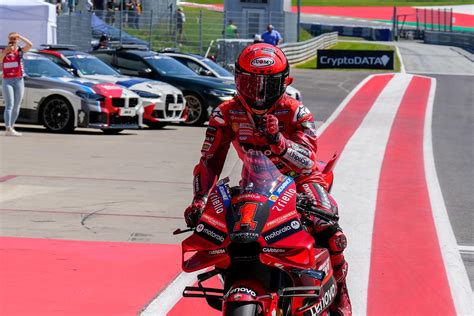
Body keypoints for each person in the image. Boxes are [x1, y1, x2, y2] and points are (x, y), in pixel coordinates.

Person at [184, 43, 352, 315]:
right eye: (251, 85)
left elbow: (308, 160)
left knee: (329, 223)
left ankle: (340, 289)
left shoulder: (298, 112)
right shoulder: (225, 113)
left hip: (301, 182)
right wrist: (200, 199)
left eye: (267, 85)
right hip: (255, 184)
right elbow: (210, 160)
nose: (258, 94)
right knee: (222, 232)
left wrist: (278, 141)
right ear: (238, 80)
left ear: (284, 83)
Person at [1, 32, 32, 136]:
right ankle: (8, 128)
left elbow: (30, 45)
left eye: (15, 38)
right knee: (9, 104)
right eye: (11, 38)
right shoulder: (3, 50)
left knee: (17, 105)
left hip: (19, 79)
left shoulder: (19, 50)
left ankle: (11, 127)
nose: (13, 40)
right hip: (7, 80)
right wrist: (5, 52)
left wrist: (21, 37)